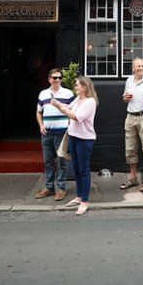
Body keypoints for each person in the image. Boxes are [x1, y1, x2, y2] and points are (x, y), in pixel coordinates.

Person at [51, 76, 98, 215]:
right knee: (76, 168)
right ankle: (79, 196)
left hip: (85, 140)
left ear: (84, 87)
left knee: (84, 170)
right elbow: (67, 109)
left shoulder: (90, 102)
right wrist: (57, 104)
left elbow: (76, 116)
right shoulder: (78, 99)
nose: (75, 87)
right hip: (74, 137)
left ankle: (85, 201)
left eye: (77, 85)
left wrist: (60, 107)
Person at [35, 68, 75, 201]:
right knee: (48, 161)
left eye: (59, 78)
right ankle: (49, 187)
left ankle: (61, 188)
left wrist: (70, 124)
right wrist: (41, 125)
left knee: (61, 161)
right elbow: (39, 111)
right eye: (54, 78)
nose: (57, 80)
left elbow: (74, 110)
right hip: (47, 132)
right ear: (49, 79)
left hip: (62, 132)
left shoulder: (68, 94)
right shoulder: (43, 94)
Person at [119, 58, 143, 193]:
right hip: (130, 117)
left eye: (142, 66)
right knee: (130, 149)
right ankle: (133, 178)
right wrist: (126, 98)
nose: (141, 68)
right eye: (138, 66)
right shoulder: (129, 80)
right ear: (133, 68)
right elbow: (124, 98)